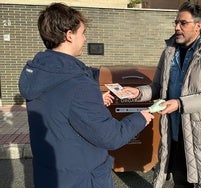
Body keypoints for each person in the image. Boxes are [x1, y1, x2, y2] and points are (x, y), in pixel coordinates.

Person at [18, 3, 154, 188]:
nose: (84, 38)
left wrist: (94, 101)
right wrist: (141, 117)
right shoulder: (79, 85)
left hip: (49, 174)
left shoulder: (37, 72)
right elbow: (111, 136)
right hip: (81, 178)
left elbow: (58, 106)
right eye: (82, 33)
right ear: (68, 35)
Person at [123, 2, 201, 187]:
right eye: (176, 22)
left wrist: (181, 104)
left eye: (183, 23)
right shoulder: (169, 53)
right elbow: (158, 86)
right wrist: (138, 92)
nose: (176, 27)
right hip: (174, 136)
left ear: (198, 26)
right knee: (181, 182)